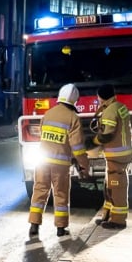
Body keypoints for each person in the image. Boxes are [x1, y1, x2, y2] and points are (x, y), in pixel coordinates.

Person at [28, 83, 89, 238]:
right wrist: (83, 164)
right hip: (60, 165)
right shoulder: (73, 118)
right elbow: (78, 147)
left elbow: (43, 136)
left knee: (39, 191)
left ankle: (34, 225)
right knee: (61, 194)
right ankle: (61, 229)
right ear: (74, 100)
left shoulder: (48, 114)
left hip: (42, 162)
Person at [90, 84, 132, 230]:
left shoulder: (110, 111)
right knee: (109, 188)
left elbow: (107, 135)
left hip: (116, 156)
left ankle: (119, 220)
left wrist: (92, 141)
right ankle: (107, 215)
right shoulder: (119, 106)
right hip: (118, 155)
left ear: (100, 96)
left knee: (116, 188)